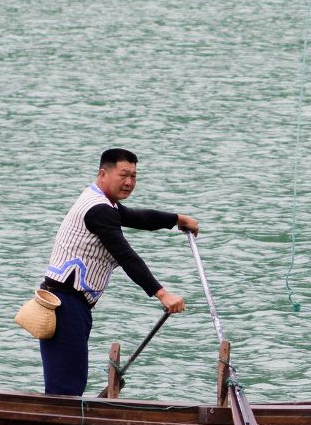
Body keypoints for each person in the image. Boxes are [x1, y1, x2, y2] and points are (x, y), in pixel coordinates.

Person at [37, 148, 196, 396]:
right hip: (64, 305)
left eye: (134, 176)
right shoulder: (98, 209)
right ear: (103, 173)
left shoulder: (103, 202)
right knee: (66, 387)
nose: (129, 182)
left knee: (70, 382)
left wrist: (177, 219)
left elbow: (138, 217)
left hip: (72, 304)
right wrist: (162, 294)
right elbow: (126, 256)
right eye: (123, 175)